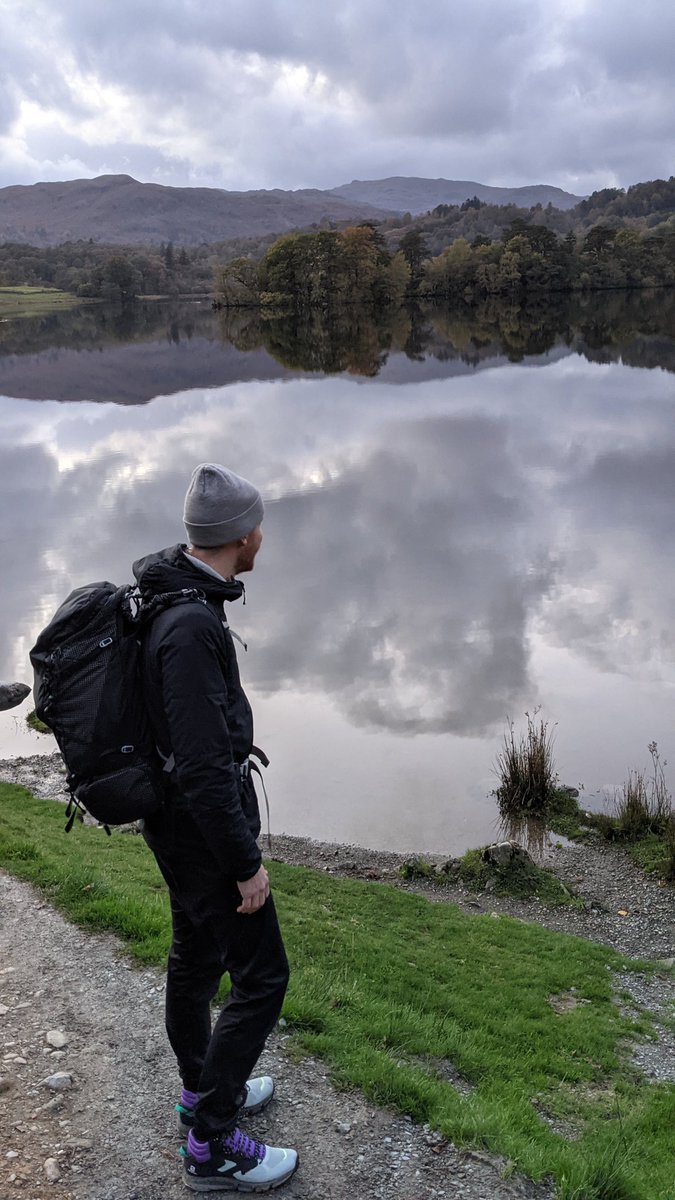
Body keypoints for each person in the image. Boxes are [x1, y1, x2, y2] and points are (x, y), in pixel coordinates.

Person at [135, 463, 298, 1193]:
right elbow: (203, 768)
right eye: (258, 525)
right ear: (240, 536)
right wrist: (244, 864)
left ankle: (203, 1090)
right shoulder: (192, 623)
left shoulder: (170, 594)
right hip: (200, 832)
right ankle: (212, 1146)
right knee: (262, 977)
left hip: (171, 823)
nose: (263, 535)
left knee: (196, 959)